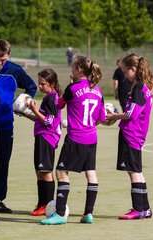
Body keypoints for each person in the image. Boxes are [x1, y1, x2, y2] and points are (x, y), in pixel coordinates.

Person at [41, 56, 105, 225]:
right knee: (91, 173)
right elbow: (101, 117)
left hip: (75, 137)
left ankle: (60, 213)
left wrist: (69, 87)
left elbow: (60, 104)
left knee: (62, 172)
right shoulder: (98, 91)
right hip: (92, 138)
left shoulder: (73, 88)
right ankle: (88, 213)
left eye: (72, 68)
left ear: (78, 70)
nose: (71, 70)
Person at [0, 39, 37, 213]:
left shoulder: (15, 70)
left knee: (2, 163)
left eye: (4, 59)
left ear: (8, 56)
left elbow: (32, 86)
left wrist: (25, 100)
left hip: (6, 125)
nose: (0, 63)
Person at [106, 54, 153, 220]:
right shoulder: (143, 87)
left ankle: (138, 209)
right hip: (136, 134)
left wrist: (113, 116)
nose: (124, 75)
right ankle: (145, 209)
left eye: (125, 71)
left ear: (133, 69)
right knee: (137, 171)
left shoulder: (139, 89)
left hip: (131, 134)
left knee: (133, 171)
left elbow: (131, 114)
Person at [28, 69, 62, 216]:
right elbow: (42, 118)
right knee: (39, 172)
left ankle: (48, 206)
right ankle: (42, 204)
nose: (40, 86)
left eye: (43, 84)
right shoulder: (49, 97)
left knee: (46, 172)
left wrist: (35, 110)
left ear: (52, 84)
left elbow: (50, 121)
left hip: (47, 137)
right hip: (41, 136)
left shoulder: (52, 98)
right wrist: (26, 113)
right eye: (39, 83)